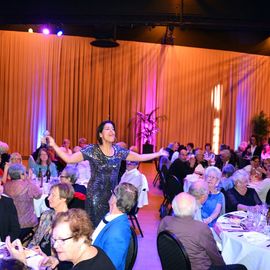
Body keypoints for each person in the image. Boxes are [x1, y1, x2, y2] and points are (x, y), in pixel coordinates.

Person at [46, 120, 168, 227]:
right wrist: (54, 145)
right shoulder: (92, 150)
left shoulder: (118, 151)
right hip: (95, 197)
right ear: (100, 134)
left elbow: (139, 157)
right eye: (107, 129)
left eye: (113, 129)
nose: (112, 131)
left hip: (112, 197)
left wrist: (158, 154)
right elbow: (69, 159)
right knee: (95, 227)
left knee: (108, 227)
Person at [158, 192, 225, 270]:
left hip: (173, 265)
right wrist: (224, 267)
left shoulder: (165, 221)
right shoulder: (201, 228)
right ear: (195, 209)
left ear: (173, 206)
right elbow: (215, 256)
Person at [40, 209, 116, 270]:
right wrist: (56, 260)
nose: (55, 245)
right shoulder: (95, 250)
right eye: (54, 239)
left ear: (81, 239)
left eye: (62, 240)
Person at [92, 183, 138, 270]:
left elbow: (109, 266)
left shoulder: (117, 234)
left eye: (112, 193)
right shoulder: (111, 216)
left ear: (115, 199)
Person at [28, 183, 74, 257]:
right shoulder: (46, 215)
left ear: (63, 198)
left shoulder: (69, 221)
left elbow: (67, 253)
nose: (48, 198)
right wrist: (30, 250)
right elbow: (35, 239)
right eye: (49, 194)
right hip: (36, 256)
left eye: (53, 195)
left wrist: (47, 258)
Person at [4, 164, 42, 240]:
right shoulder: (28, 185)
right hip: (27, 224)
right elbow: (38, 195)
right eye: (25, 173)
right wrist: (29, 179)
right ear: (22, 175)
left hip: (10, 224)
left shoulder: (5, 185)